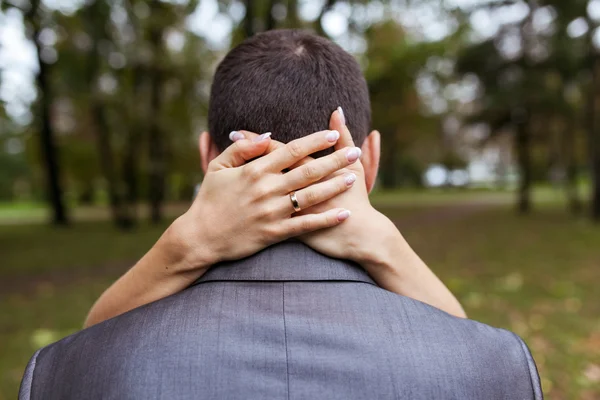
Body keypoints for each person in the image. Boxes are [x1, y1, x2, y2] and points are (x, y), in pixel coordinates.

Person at [19, 30, 542, 400]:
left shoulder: (61, 372)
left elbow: (86, 340)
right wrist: (384, 243)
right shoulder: (498, 366)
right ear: (372, 157)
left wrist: (184, 245)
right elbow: (467, 344)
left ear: (207, 157)